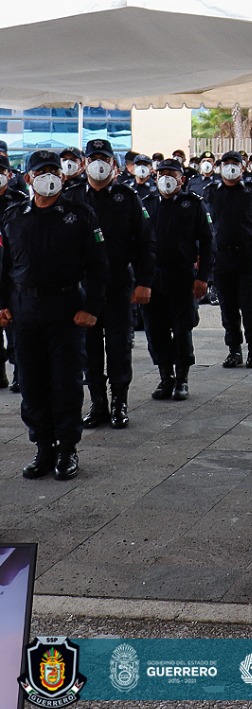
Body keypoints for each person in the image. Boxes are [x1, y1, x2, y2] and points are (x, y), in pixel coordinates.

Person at [0, 150, 110, 480]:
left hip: (66, 310)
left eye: (54, 170)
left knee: (65, 382)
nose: (49, 176)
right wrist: (2, 304)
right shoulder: (14, 216)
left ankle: (67, 450)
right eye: (41, 171)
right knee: (32, 383)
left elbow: (98, 266)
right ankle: (43, 448)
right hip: (26, 311)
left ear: (62, 176)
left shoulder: (80, 214)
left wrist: (91, 308)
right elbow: (5, 269)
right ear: (28, 177)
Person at [78, 139, 156, 429]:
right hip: (85, 286)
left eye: (104, 158)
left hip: (119, 282)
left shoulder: (127, 197)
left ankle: (118, 403)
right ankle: (97, 403)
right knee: (89, 347)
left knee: (119, 345)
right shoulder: (74, 197)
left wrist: (145, 282)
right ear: (85, 163)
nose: (98, 164)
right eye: (93, 157)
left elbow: (145, 241)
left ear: (115, 165)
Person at [141, 159, 212, 401]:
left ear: (182, 178)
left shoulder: (192, 204)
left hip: (182, 276)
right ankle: (165, 377)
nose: (166, 178)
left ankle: (182, 378)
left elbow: (207, 242)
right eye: (161, 173)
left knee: (182, 330)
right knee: (155, 330)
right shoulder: (146, 204)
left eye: (172, 173)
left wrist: (203, 278)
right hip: (152, 277)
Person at [205, 151, 252, 369]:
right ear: (219, 167)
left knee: (249, 306)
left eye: (235, 164)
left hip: (247, 256)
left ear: (243, 167)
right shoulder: (211, 192)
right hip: (222, 257)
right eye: (226, 164)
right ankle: (234, 350)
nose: (230, 168)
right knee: (227, 306)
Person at [0, 156, 27, 391]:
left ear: (9, 175)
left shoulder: (18, 202)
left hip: (11, 271)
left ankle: (20, 372)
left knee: (14, 326)